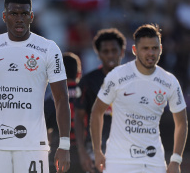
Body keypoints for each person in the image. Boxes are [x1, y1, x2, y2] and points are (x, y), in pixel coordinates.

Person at [0, 0, 71, 173]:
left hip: (33, 145)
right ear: (5, 16)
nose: (19, 19)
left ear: (32, 17)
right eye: (14, 14)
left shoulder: (48, 48)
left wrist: (65, 145)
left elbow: (61, 98)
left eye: (24, 14)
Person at [90, 24, 188, 173]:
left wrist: (175, 159)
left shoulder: (169, 81)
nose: (151, 53)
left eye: (154, 48)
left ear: (160, 49)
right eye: (145, 48)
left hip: (153, 162)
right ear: (135, 50)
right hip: (118, 162)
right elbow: (97, 112)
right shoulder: (117, 76)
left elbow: (181, 122)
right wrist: (97, 152)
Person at [74, 28, 126, 173]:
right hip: (98, 150)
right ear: (98, 54)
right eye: (105, 51)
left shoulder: (133, 80)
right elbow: (78, 117)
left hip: (128, 149)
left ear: (121, 51)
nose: (110, 55)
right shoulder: (88, 81)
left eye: (114, 50)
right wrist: (82, 151)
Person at [44, 52, 83, 173]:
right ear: (78, 73)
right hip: (84, 154)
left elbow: (43, 127)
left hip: (58, 155)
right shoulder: (88, 94)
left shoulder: (52, 98)